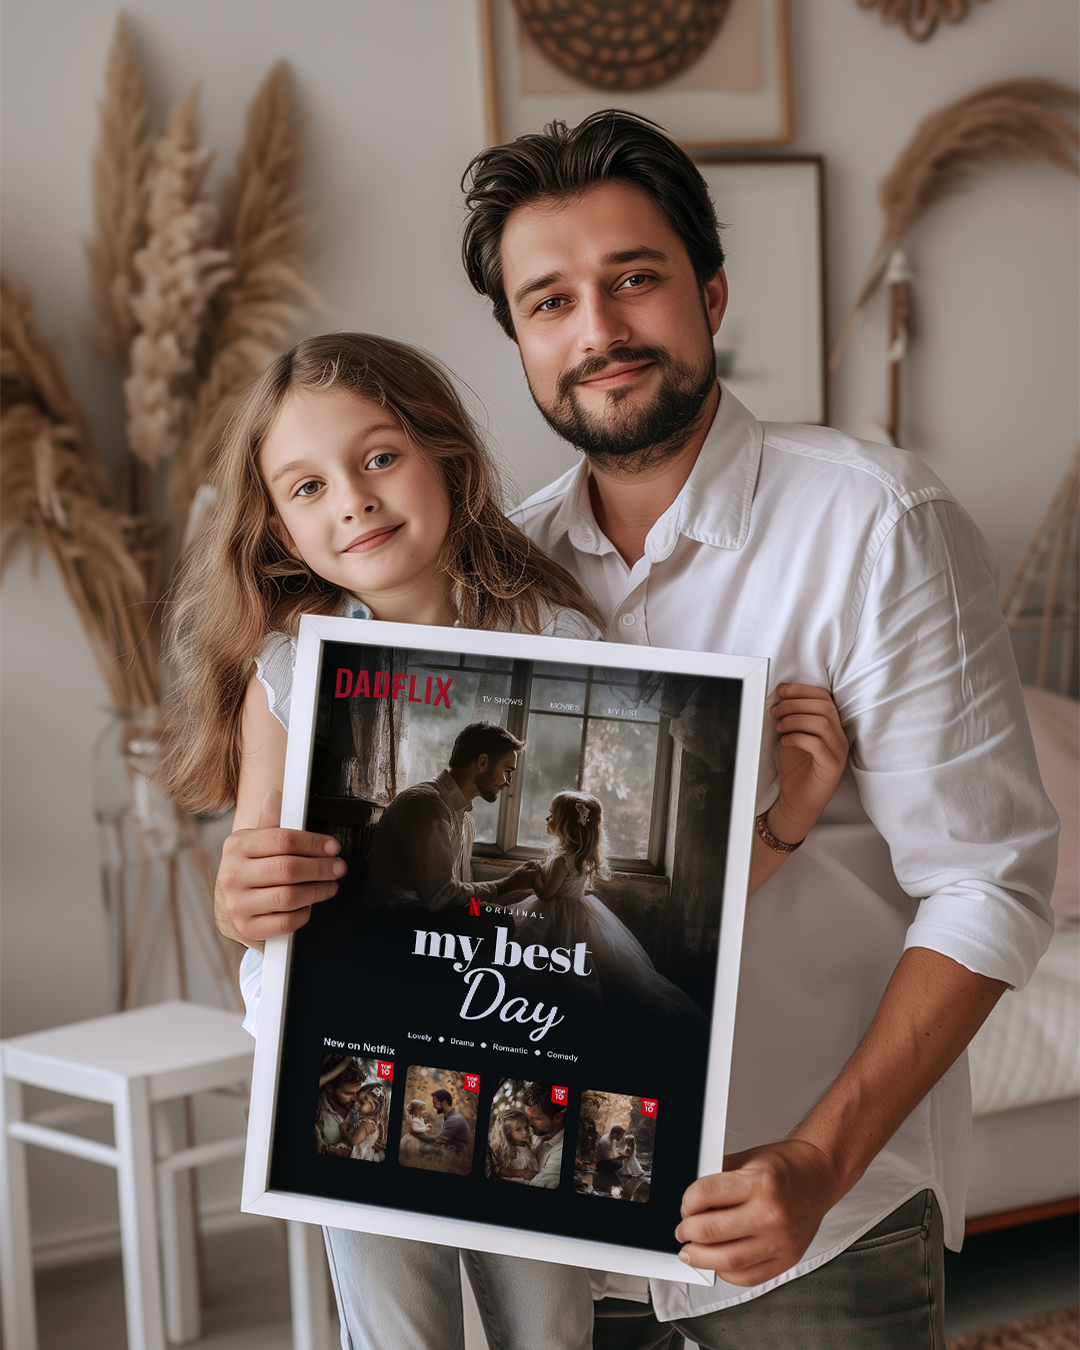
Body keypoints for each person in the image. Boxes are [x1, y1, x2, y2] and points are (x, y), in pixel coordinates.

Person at [459, 110, 1058, 1346]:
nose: (599, 330)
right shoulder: (498, 576)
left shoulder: (877, 523)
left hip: (817, 1223)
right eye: (551, 302)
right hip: (559, 1224)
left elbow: (988, 883)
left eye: (635, 279)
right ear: (520, 342)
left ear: (713, 293)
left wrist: (822, 1162)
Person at [159, 331, 602, 1350]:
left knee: (549, 1322)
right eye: (308, 487)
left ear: (443, 454)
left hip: (509, 1037)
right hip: (349, 1048)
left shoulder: (553, 636)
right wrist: (242, 899)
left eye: (379, 458)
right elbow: (252, 885)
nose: (353, 500)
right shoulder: (288, 671)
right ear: (279, 528)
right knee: (397, 1328)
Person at [517, 789, 700, 1019]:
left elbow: (546, 894)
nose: (547, 818)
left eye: (552, 815)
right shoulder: (578, 856)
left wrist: (534, 875)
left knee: (551, 959)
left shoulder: (562, 860)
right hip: (579, 910)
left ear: (566, 825)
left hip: (556, 914)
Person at [365, 721, 535, 911]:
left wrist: (516, 892)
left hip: (439, 916)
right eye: (507, 771)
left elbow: (460, 897)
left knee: (512, 914)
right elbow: (440, 897)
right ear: (483, 762)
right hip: (401, 919)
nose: (509, 783)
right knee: (502, 919)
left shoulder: (466, 820)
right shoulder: (426, 805)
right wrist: (508, 884)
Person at [521, 1082, 567, 1188]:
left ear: (558, 1118)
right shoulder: (540, 1132)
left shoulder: (561, 1151)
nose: (529, 1123)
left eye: (536, 1119)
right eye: (528, 1116)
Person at [487, 1107, 540, 1182]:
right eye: (518, 1129)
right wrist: (521, 1173)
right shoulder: (507, 1149)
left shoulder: (525, 1145)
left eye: (526, 1127)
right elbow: (499, 1170)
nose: (525, 1132)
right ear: (507, 1133)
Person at [346, 1081, 391, 1162]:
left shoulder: (367, 1123)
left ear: (375, 1106)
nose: (357, 1105)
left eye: (362, 1103)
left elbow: (352, 1141)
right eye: (358, 1101)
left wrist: (342, 1129)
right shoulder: (376, 1121)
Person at [428, 1088, 472, 1154]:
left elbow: (438, 1141)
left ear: (444, 1102)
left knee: (425, 1148)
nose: (433, 1106)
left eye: (435, 1103)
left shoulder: (454, 1120)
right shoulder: (448, 1117)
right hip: (450, 1152)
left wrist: (417, 1135)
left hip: (457, 1156)